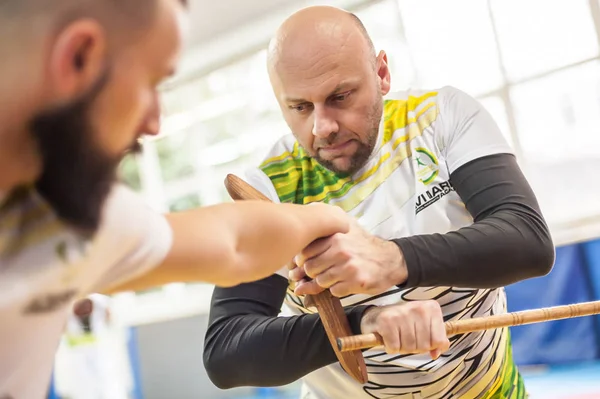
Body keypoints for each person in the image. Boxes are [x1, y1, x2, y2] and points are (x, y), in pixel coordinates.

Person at [0, 1, 352, 397]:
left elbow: (233, 244)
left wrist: (329, 219)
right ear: (79, 56)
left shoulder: (60, 219)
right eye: (150, 83)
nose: (154, 123)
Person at [203, 6, 555, 399]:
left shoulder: (440, 117)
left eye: (339, 96)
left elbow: (527, 239)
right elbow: (225, 351)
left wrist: (390, 259)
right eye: (299, 107)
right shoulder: (268, 190)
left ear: (382, 74)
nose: (323, 127)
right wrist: (362, 322)